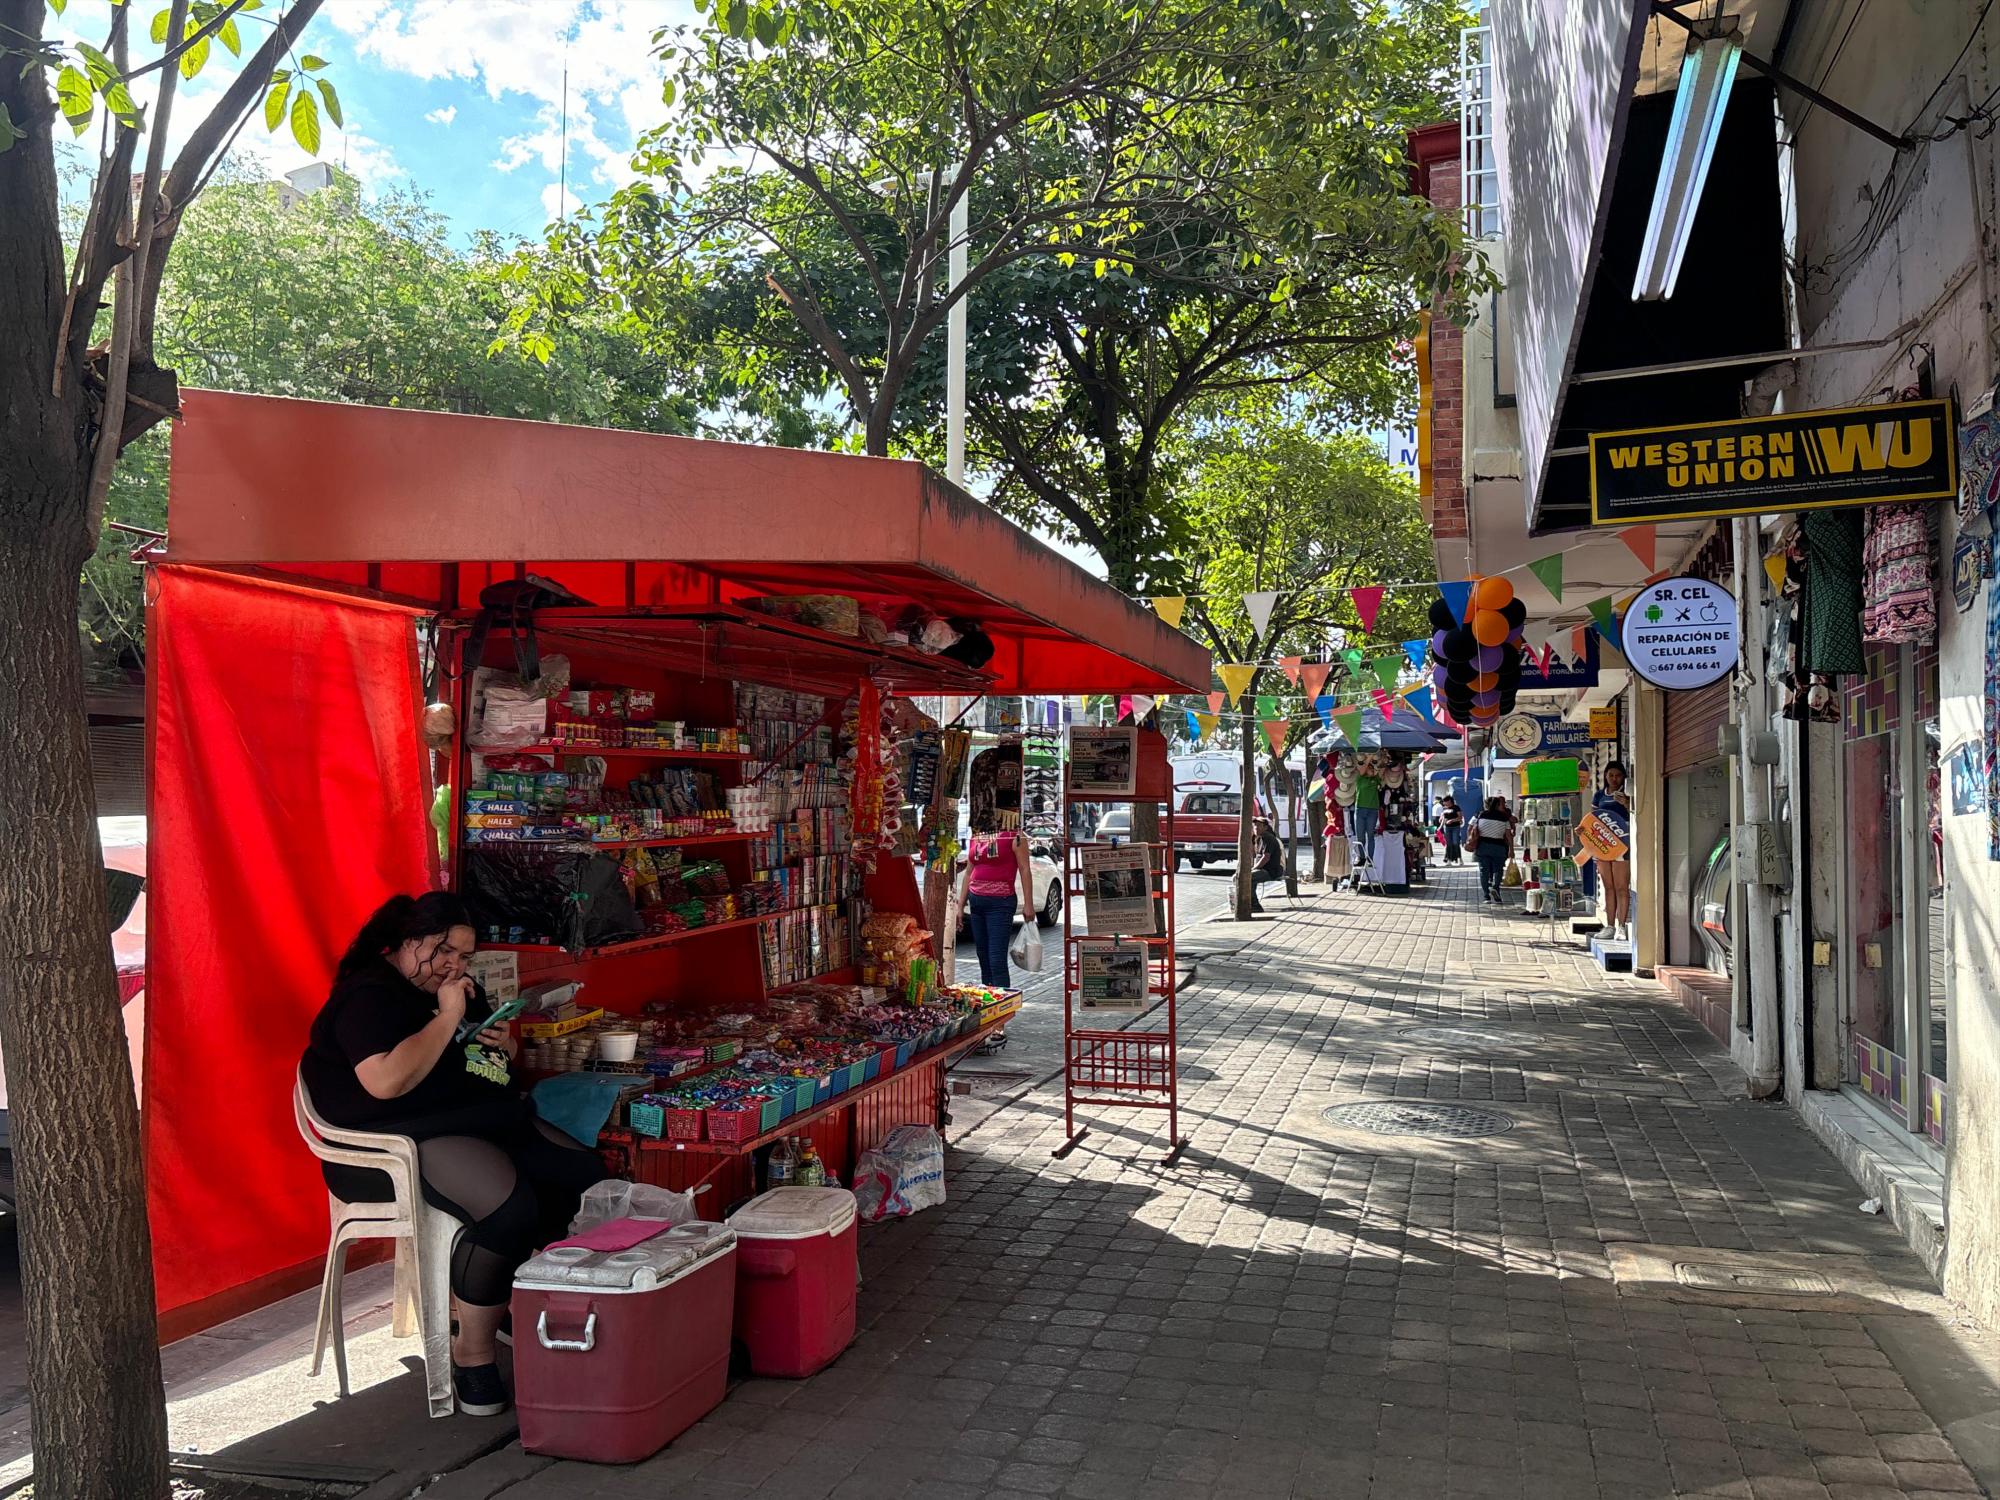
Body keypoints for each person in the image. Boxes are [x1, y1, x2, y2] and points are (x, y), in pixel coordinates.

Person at [299, 893, 607, 1418]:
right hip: (385, 1145)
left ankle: (502, 1301)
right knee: (508, 1209)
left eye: (464, 957)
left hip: (473, 1119)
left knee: (583, 1178)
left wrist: (501, 1041)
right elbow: (388, 1081)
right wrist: (447, 1019)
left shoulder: (455, 989)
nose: (454, 966)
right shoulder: (368, 998)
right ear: (406, 940)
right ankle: (472, 1352)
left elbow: (496, 1062)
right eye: (443, 950)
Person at [958, 815, 1036, 990]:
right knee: (983, 957)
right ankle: (988, 1002)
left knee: (996, 959)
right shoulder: (977, 834)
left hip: (1000, 904)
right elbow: (969, 871)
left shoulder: (1015, 835)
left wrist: (1029, 904)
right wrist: (960, 905)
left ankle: (1002, 1003)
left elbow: (1025, 869)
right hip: (976, 903)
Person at [1593, 761, 1634, 940]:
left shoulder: (1628, 794)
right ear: (1606, 776)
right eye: (1611, 775)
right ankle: (1609, 926)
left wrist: (1627, 803)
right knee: (1608, 887)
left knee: (1621, 887)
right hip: (1603, 845)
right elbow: (1592, 819)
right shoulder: (1599, 796)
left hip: (1622, 844)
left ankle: (1621, 926)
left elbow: (1636, 813)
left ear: (1623, 777)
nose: (1614, 779)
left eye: (1618, 775)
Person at [1470, 796, 1514, 905]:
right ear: (1498, 805)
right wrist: (1511, 850)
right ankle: (1496, 889)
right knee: (1498, 870)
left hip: (1483, 846)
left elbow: (1470, 828)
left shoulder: (1479, 815)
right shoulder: (1504, 817)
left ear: (1486, 805)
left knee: (1483, 871)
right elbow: (1509, 835)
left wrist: (1470, 839)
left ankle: (1486, 896)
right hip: (1499, 847)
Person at [1250, 814, 1285, 913]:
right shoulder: (1259, 838)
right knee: (1243, 877)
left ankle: (1254, 904)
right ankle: (1251, 902)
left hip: (1270, 871)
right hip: (1262, 869)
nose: (1256, 828)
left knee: (1247, 878)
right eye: (1254, 825)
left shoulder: (1268, 838)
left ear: (1265, 827)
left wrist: (1254, 868)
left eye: (1259, 825)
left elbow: (1266, 857)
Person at [1437, 795, 1465, 864]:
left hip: (1455, 827)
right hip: (1447, 828)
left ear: (1449, 801)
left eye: (1445, 801)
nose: (1444, 803)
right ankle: (1449, 859)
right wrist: (1440, 825)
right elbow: (1443, 819)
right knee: (1448, 844)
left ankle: (1459, 858)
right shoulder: (1444, 809)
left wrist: (1452, 820)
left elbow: (1460, 817)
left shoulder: (1456, 807)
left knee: (1456, 843)